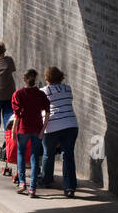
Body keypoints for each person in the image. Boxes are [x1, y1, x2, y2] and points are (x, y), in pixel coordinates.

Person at [41, 66, 79, 197]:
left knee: (48, 153)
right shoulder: (68, 89)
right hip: (71, 125)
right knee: (68, 155)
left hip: (52, 126)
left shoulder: (44, 91)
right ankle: (70, 187)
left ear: (47, 78)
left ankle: (46, 180)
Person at [11, 69, 50, 196]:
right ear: (35, 79)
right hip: (37, 129)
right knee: (34, 158)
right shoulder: (41, 95)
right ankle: (32, 188)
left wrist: (13, 131)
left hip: (23, 129)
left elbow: (17, 115)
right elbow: (47, 113)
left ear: (24, 79)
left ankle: (22, 182)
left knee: (21, 155)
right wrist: (43, 131)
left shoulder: (18, 94)